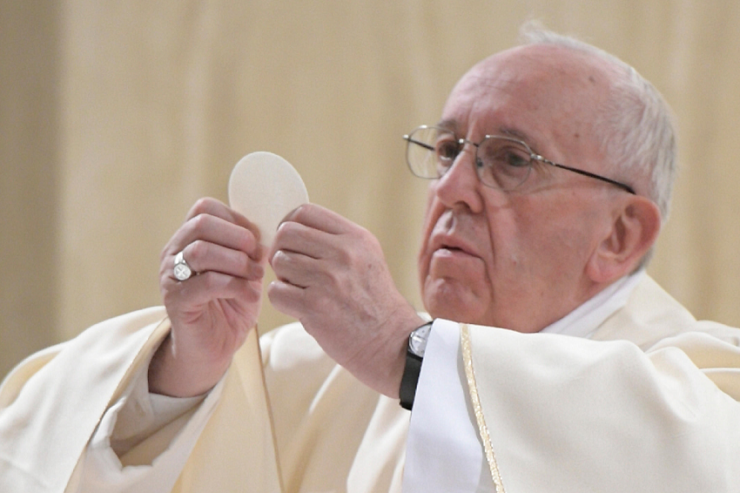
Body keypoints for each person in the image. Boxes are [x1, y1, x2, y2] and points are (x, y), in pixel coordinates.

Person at [2, 24, 740, 493]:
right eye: (449, 149)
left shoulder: (693, 394)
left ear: (620, 234)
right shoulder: (332, 379)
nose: (452, 188)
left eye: (511, 159)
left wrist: (404, 351)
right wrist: (186, 373)